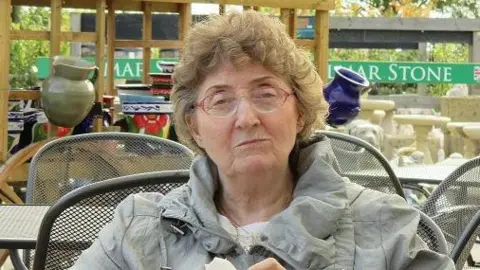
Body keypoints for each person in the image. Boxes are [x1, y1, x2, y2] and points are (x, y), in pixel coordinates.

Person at [72, 11, 455, 270]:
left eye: (266, 94)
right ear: (196, 126)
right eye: (221, 100)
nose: (247, 118)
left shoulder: (388, 227)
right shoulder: (136, 227)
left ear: (301, 111)